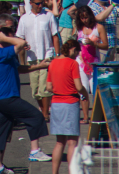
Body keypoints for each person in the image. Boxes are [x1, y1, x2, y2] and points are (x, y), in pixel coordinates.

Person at [0, 15, 52, 173]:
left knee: (0, 131)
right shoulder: (4, 53)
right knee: (35, 116)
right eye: (11, 34)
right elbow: (22, 43)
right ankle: (35, 151)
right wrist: (5, 37)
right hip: (7, 97)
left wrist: (40, 66)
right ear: (3, 37)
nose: (14, 36)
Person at [46, 39, 87, 174]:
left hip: (56, 103)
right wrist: (85, 94)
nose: (77, 54)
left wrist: (60, 88)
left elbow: (49, 87)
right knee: (72, 143)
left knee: (59, 143)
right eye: (77, 51)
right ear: (72, 49)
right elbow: (79, 86)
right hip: (70, 103)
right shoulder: (72, 63)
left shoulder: (53, 63)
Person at [17, 0, 59, 121]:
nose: (40, 5)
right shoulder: (24, 18)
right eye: (37, 3)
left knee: (44, 88)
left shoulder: (49, 16)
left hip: (47, 56)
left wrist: (57, 55)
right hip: (32, 58)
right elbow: (19, 38)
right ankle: (43, 110)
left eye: (41, 3)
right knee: (35, 91)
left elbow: (55, 36)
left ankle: (45, 114)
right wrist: (23, 49)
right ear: (30, 3)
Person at [75, 6, 107, 124]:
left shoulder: (98, 27)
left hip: (94, 63)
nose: (84, 20)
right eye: (82, 18)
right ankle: (85, 117)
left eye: (86, 17)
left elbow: (106, 45)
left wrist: (93, 43)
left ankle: (97, 115)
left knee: (95, 91)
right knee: (83, 90)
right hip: (81, 63)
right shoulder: (78, 29)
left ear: (90, 16)